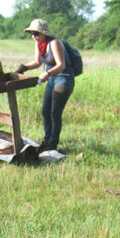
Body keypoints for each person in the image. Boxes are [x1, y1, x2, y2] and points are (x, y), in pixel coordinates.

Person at [15, 18, 77, 153]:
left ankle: (53, 143)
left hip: (63, 79)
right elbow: (37, 62)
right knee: (45, 111)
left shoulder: (54, 43)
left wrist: (47, 74)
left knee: (55, 112)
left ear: (44, 33)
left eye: (36, 33)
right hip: (52, 79)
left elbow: (61, 65)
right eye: (31, 34)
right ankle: (47, 140)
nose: (34, 37)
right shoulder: (39, 44)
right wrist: (23, 67)